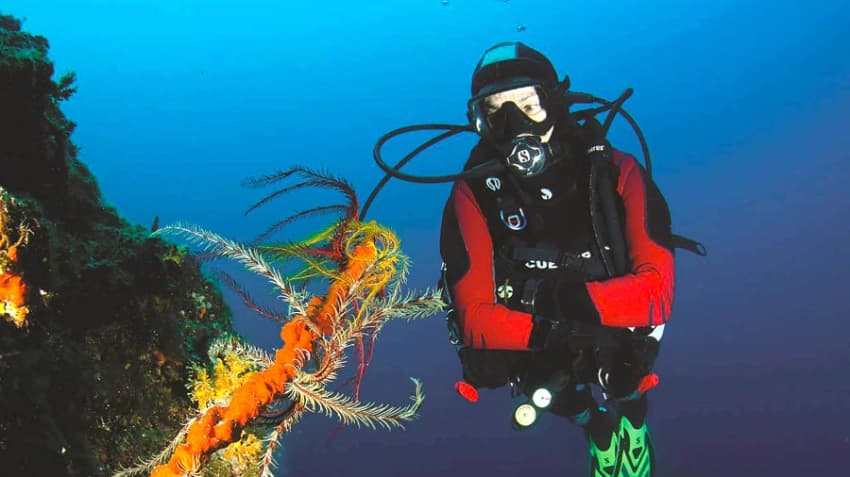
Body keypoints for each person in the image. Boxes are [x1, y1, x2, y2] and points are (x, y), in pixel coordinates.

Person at [439, 41, 676, 477]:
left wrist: (557, 305)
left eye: (528, 104)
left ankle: (633, 422)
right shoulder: (472, 194)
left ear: (554, 102)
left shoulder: (615, 172)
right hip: (537, 336)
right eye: (496, 112)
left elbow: (656, 295)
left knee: (625, 376)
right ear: (480, 122)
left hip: (606, 326)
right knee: (549, 389)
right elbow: (474, 318)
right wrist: (557, 330)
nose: (514, 125)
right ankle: (597, 429)